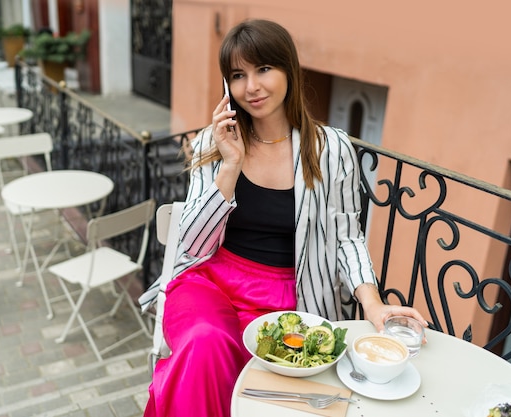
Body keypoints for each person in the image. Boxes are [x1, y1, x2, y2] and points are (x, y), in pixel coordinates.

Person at [142, 18, 427, 417]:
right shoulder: (215, 141)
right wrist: (230, 165)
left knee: (281, 376)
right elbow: (192, 245)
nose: (251, 87)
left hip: (290, 296)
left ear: (288, 70)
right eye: (238, 75)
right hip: (212, 281)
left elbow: (347, 237)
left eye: (263, 69)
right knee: (205, 342)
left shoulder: (331, 149)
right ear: (227, 86)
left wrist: (373, 305)